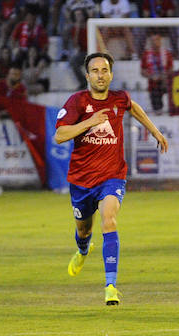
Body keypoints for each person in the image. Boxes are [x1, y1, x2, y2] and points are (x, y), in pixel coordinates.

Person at [54, 52, 168, 305]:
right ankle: (83, 249)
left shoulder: (119, 98)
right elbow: (60, 136)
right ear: (87, 76)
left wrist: (155, 131)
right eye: (95, 71)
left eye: (104, 70)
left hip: (112, 176)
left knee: (109, 218)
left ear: (111, 74)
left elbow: (134, 108)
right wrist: (90, 122)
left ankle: (110, 286)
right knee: (84, 230)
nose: (100, 75)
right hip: (81, 180)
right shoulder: (76, 102)